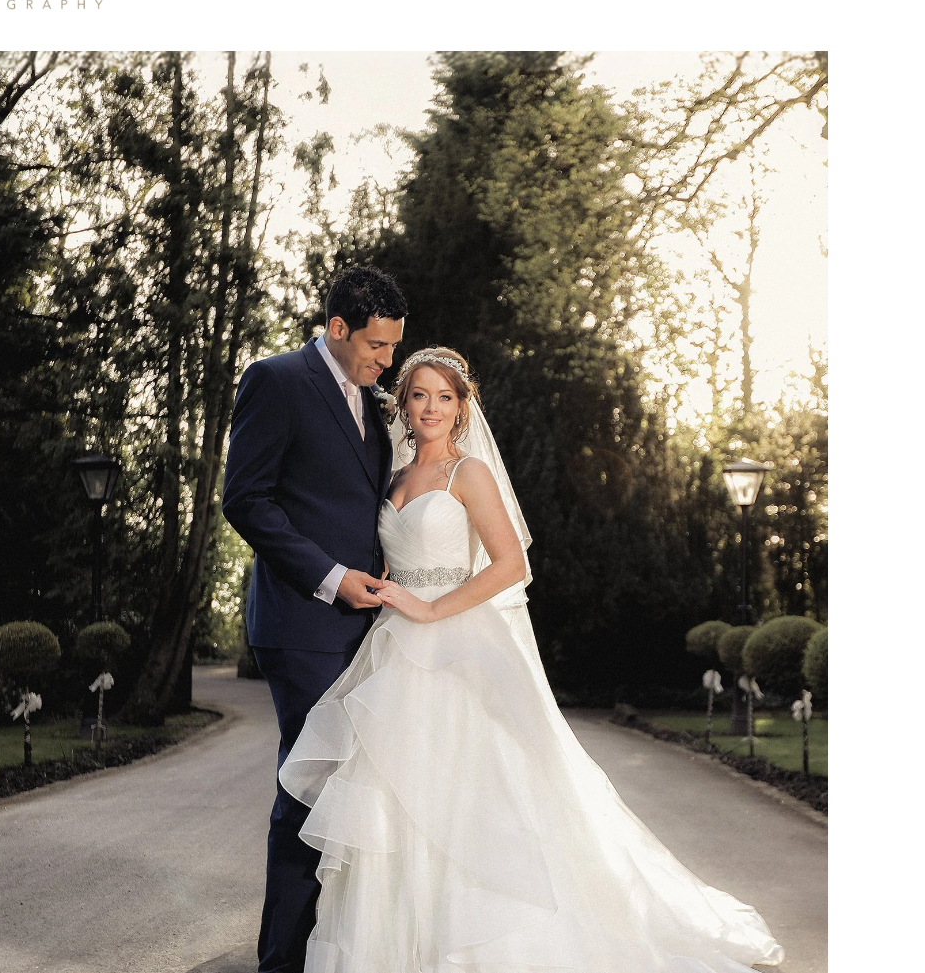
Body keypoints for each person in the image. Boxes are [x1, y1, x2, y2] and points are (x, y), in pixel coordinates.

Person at [277, 346, 784, 972]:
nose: (431, 408)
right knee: (395, 790)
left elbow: (512, 564)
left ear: (462, 408)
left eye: (445, 397)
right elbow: (391, 546)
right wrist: (386, 583)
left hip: (455, 642)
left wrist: (433, 609)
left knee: (469, 791)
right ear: (403, 405)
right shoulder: (395, 477)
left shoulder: (469, 474)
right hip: (393, 644)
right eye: (419, 395)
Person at [220, 266, 407, 973]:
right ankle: (281, 963)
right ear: (337, 328)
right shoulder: (276, 380)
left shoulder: (372, 401)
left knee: (350, 796)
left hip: (365, 631)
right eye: (378, 346)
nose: (386, 361)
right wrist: (332, 579)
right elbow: (247, 499)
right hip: (303, 625)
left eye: (393, 348)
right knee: (310, 790)